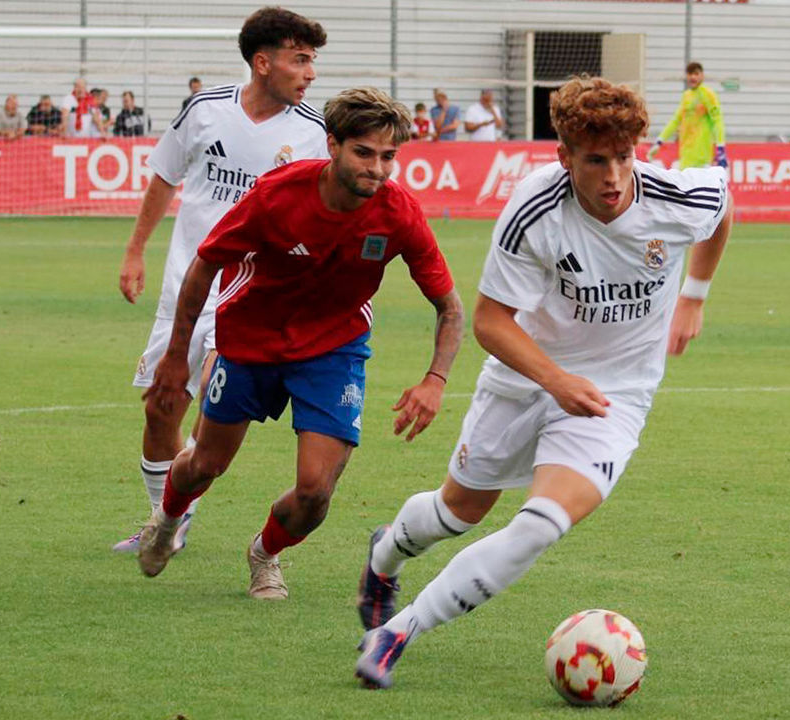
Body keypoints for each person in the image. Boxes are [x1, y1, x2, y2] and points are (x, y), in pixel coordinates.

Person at [353, 75, 733, 689]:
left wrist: (694, 293)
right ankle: (384, 556)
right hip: (525, 378)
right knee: (458, 511)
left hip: (617, 395)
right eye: (595, 160)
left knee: (539, 524)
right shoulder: (535, 208)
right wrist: (555, 380)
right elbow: (488, 320)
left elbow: (721, 208)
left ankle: (399, 631)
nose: (614, 176)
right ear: (564, 158)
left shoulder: (671, 196)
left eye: (624, 157)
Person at [135, 86, 465, 603]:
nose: (377, 169)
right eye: (364, 152)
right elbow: (204, 265)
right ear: (332, 145)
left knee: (315, 494)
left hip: (334, 351)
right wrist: (177, 357)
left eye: (388, 157)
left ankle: (265, 554)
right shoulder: (276, 195)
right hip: (249, 340)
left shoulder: (398, 212)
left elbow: (450, 308)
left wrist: (435, 379)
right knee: (205, 465)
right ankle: (167, 519)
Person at [112, 7, 332, 556]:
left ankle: (176, 513)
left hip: (252, 296)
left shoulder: (313, 135)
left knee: (213, 418)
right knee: (160, 406)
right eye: (300, 59)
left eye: (312, 61)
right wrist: (135, 250)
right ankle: (170, 518)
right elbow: (165, 176)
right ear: (263, 63)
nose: (310, 73)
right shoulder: (206, 110)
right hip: (186, 286)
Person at [649, 62, 727, 169]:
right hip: (685, 158)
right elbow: (675, 121)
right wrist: (659, 141)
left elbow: (717, 121)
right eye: (690, 74)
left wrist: (720, 147)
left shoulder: (708, 94)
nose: (693, 77)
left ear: (702, 75)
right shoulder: (686, 96)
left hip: (701, 159)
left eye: (696, 74)